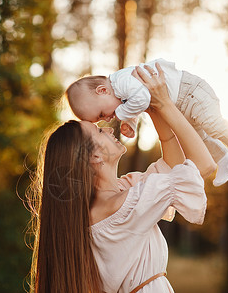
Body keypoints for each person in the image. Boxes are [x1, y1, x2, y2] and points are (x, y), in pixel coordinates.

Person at [27, 64, 216, 293]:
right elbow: (203, 166)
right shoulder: (122, 206)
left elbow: (173, 168)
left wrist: (152, 107)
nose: (107, 129)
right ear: (95, 156)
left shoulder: (116, 198)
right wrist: (165, 103)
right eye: (98, 131)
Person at [65, 58, 228, 186]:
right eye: (101, 120)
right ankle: (223, 158)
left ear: (102, 90)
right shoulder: (120, 93)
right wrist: (131, 122)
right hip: (179, 104)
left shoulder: (121, 82)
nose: (107, 119)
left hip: (190, 92)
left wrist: (122, 114)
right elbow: (137, 102)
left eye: (102, 113)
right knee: (200, 138)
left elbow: (142, 98)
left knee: (212, 125)